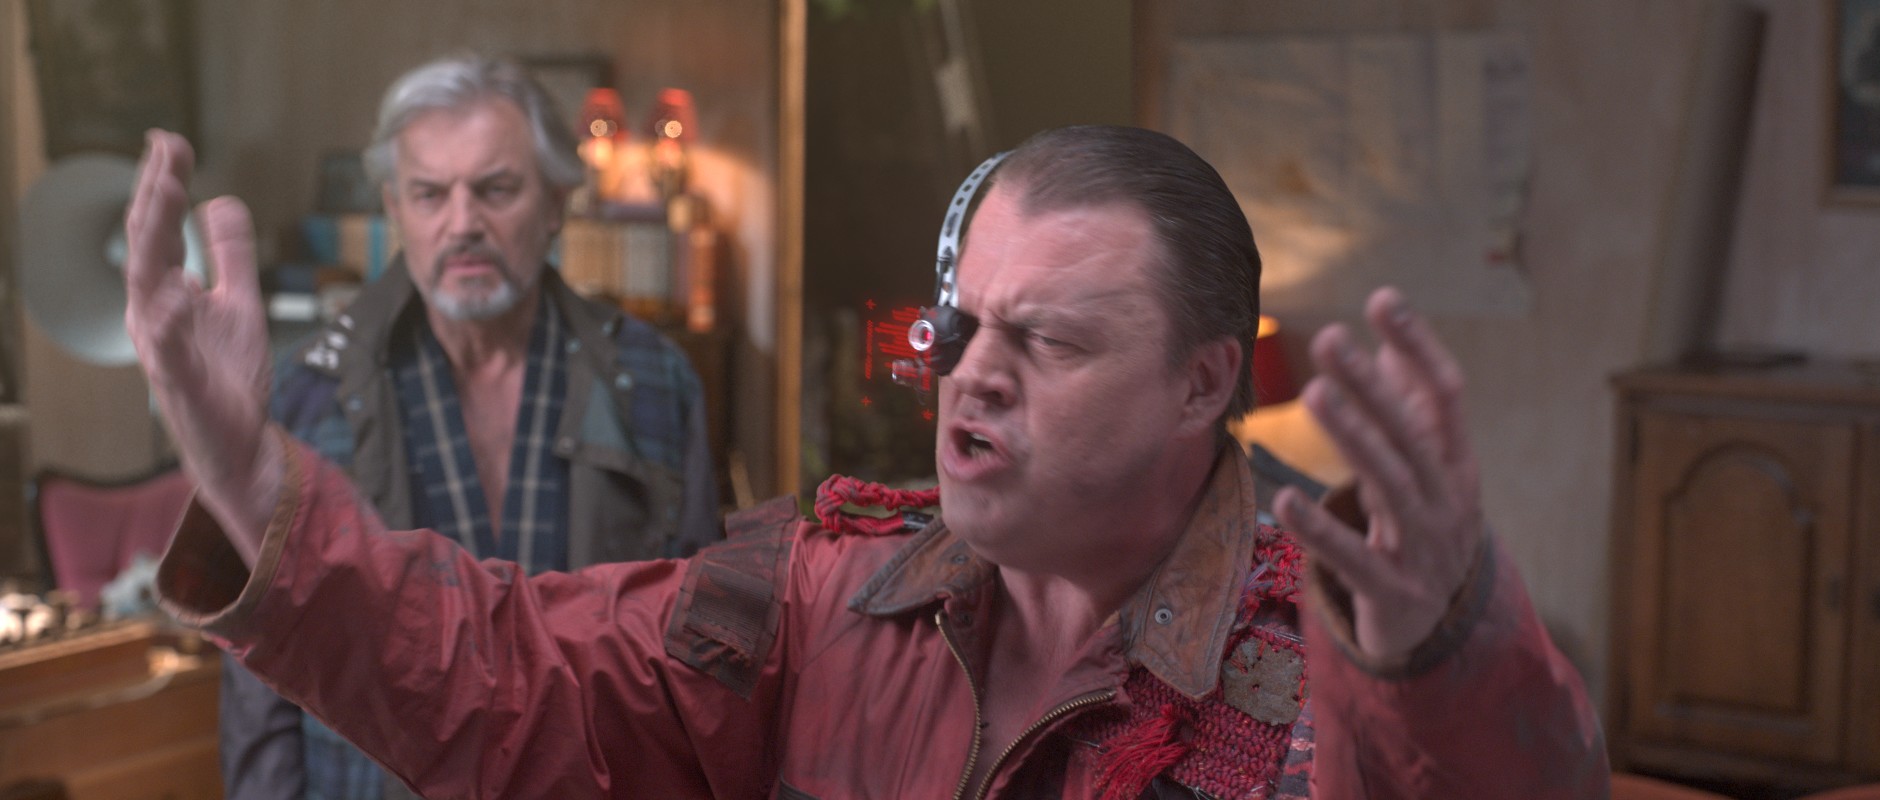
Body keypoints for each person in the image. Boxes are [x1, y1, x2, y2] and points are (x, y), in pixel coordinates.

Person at [127, 124, 1606, 798]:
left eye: (1049, 340)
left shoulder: (1318, 669)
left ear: (1204, 382)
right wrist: (249, 472)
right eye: (961, 330)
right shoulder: (828, 590)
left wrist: (1439, 657)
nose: (973, 376)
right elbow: (506, 678)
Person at [216, 55, 722, 800]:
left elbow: (701, 653)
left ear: (555, 203)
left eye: (496, 190)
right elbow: (260, 682)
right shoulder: (307, 394)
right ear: (396, 209)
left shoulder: (652, 379)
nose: (463, 225)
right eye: (430, 194)